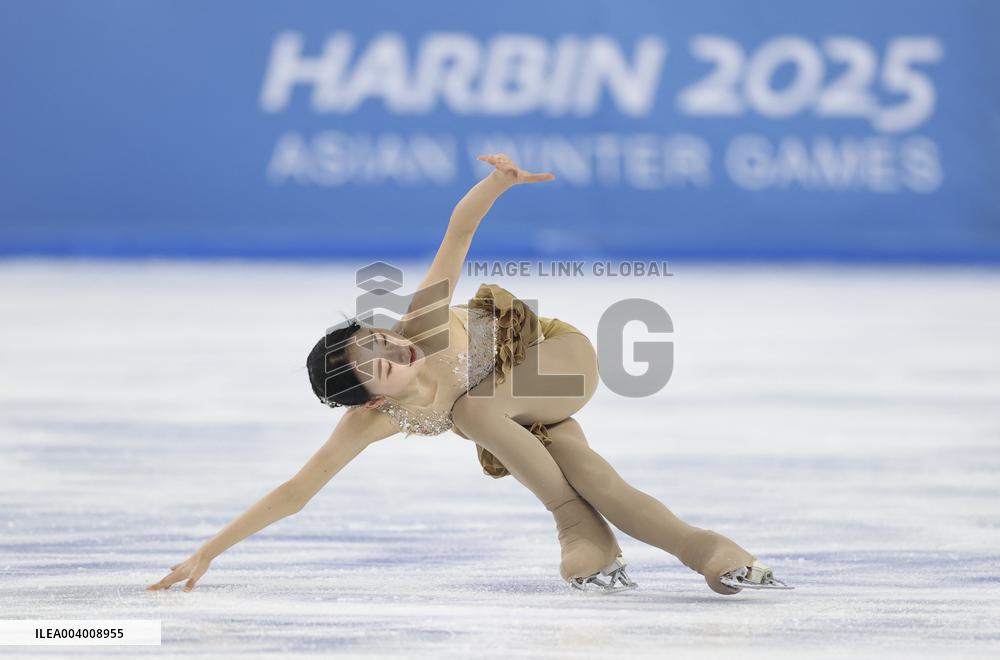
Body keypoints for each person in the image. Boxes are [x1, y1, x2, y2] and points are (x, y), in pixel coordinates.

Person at [148, 154, 789, 594]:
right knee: (591, 473)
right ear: (371, 403)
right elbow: (296, 492)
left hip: (557, 358)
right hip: (518, 417)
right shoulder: (370, 424)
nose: (397, 350)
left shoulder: (421, 325)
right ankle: (709, 552)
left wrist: (498, 182)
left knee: (473, 413)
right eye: (381, 365)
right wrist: (209, 551)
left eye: (379, 339)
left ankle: (573, 525)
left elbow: (458, 233)